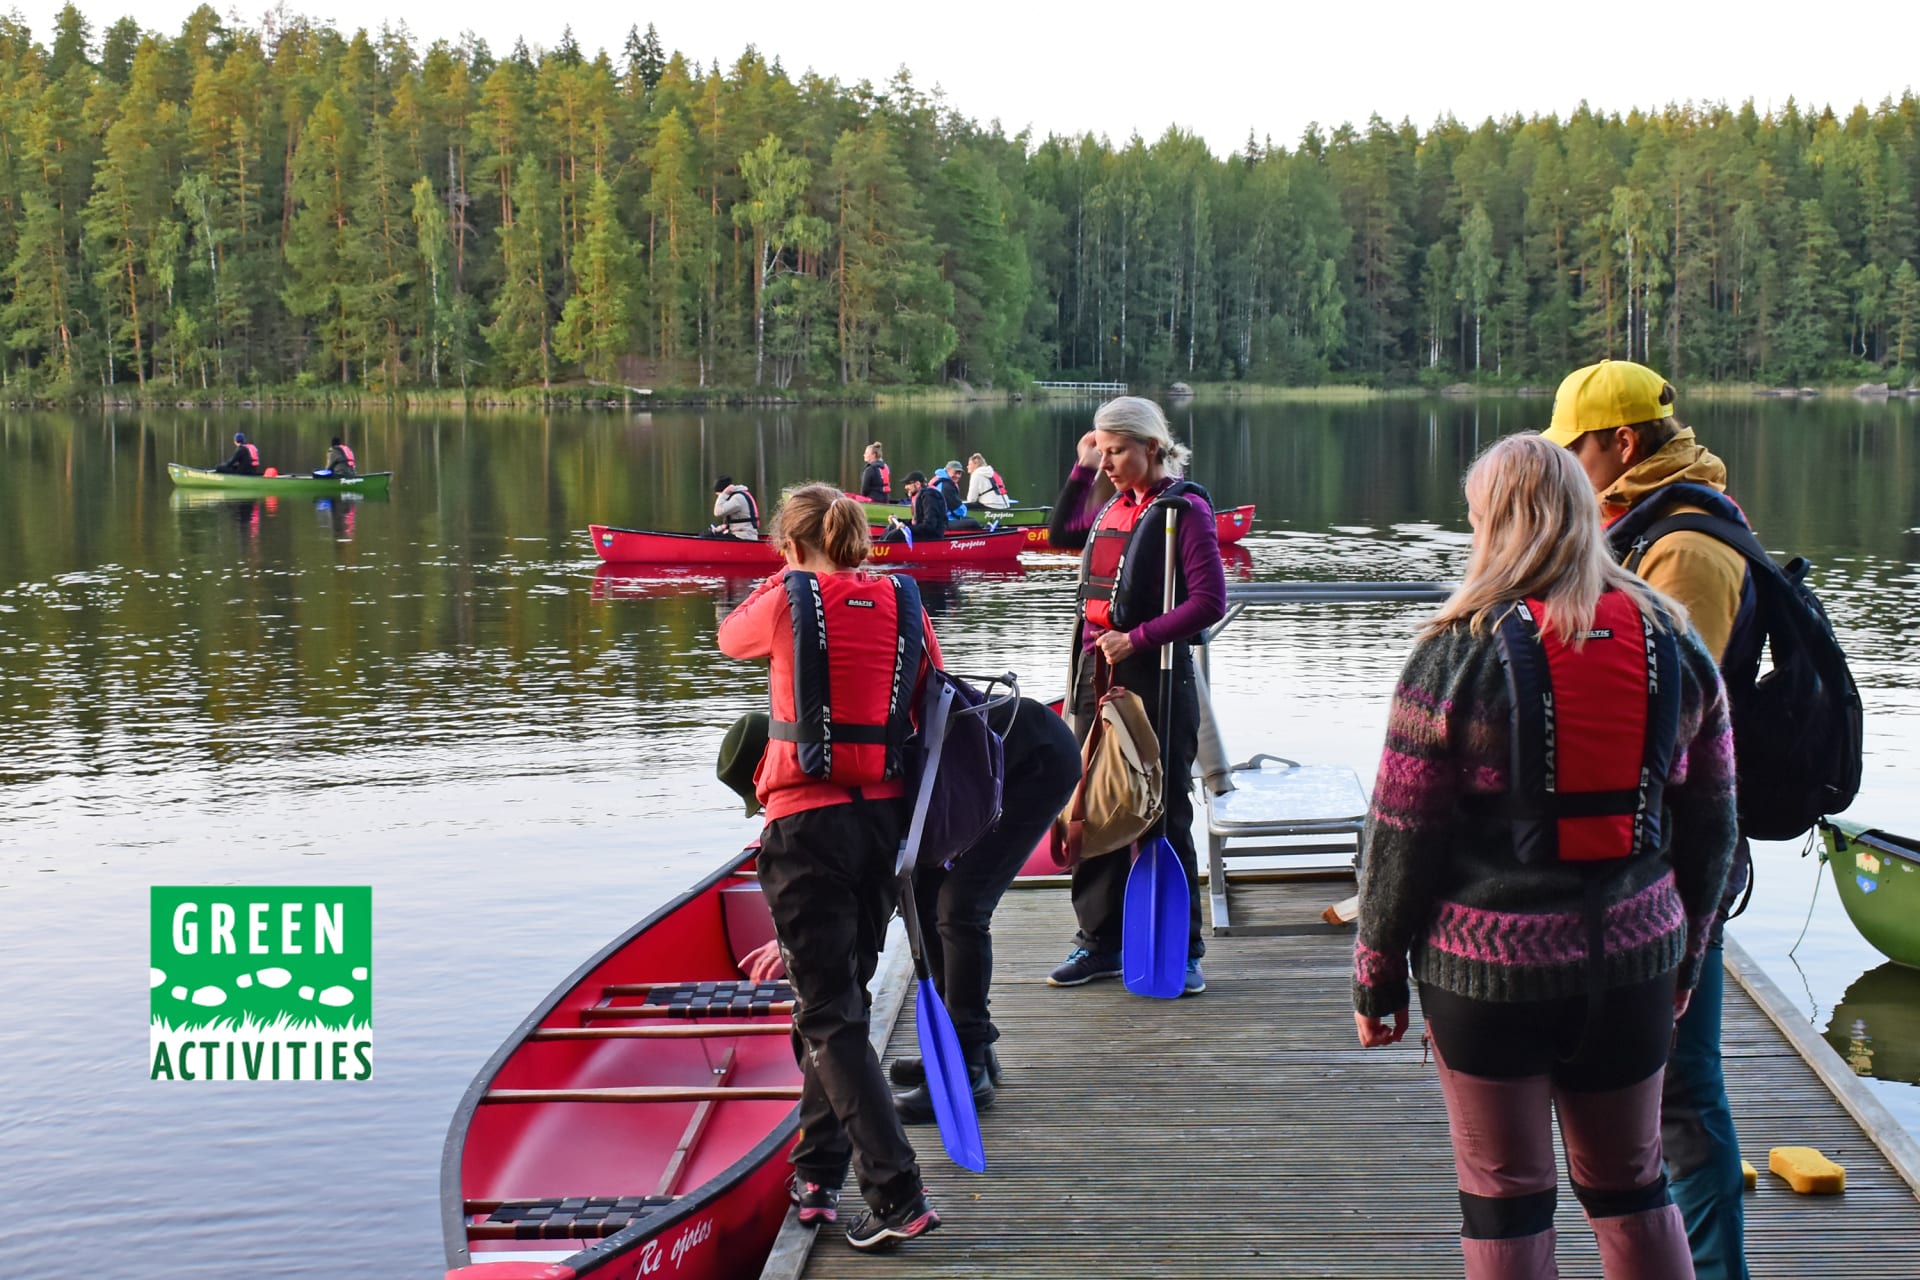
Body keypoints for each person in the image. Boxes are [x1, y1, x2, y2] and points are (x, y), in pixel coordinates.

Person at [1352, 433, 1738, 1280]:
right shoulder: (1675, 641)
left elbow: (1400, 836)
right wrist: (1689, 953)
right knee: (1634, 1184)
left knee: (1507, 1194)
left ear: (1491, 522)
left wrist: (1376, 975)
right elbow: (1713, 825)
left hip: (1487, 975)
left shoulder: (1453, 652)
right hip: (1635, 961)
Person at [1542, 359, 1753, 1280]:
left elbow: (1671, 718)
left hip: (1668, 850)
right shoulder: (1639, 527)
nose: (1568, 470)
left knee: (1683, 1089)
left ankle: (1713, 1271)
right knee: (1659, 1083)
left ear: (1622, 444)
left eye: (1575, 450)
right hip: (1635, 847)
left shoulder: (1688, 551)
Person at [716, 482, 942, 1252]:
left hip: (805, 824)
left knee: (828, 1015)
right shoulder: (906, 602)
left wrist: (786, 573)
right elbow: (927, 693)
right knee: (836, 1004)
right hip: (881, 825)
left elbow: (729, 640)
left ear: (789, 541)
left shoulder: (783, 597)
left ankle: (896, 1194)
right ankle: (816, 1176)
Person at [1043, 396, 1227, 996]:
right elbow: (1062, 532)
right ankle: (1100, 943)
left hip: (1155, 679)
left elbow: (1208, 603)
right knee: (1092, 807)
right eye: (1101, 451)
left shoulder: (1185, 511)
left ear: (1152, 447)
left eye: (1115, 451)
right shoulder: (1114, 504)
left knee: (1163, 809)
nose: (1108, 464)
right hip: (1096, 678)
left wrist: (1139, 638)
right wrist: (1081, 466)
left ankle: (1184, 947)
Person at [891, 699, 1082, 1122]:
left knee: (961, 906)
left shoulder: (856, 768)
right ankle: (958, 1044)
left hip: (1035, 762)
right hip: (977, 774)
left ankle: (969, 1068)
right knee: (925, 898)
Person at [879, 471, 946, 543]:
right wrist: (898, 520)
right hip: (923, 533)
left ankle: (882, 550)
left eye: (908, 484)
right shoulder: (921, 495)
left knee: (896, 534)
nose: (905, 487)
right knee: (892, 526)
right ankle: (879, 545)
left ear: (917, 484)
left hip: (931, 537)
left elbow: (929, 526)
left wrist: (907, 528)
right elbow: (916, 521)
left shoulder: (929, 497)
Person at [710, 475, 761, 540]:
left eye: (718, 495)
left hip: (744, 537)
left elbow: (717, 512)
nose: (718, 498)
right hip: (741, 534)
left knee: (705, 537)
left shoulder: (738, 498)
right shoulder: (737, 496)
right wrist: (720, 528)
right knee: (710, 534)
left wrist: (723, 495)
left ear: (725, 491)